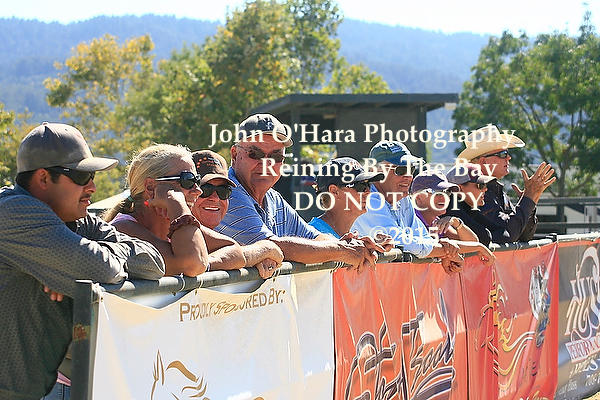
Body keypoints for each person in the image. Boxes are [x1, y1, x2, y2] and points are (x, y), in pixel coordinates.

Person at [0, 122, 165, 399]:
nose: (93, 187)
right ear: (43, 178)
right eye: (81, 176)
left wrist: (78, 261)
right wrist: (84, 262)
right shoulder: (13, 212)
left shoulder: (77, 221)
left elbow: (154, 263)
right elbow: (101, 268)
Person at [215, 113, 385, 273]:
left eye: (276, 157)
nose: (266, 164)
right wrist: (342, 250)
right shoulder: (226, 193)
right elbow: (269, 246)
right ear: (235, 155)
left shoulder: (273, 198)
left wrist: (353, 247)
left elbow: (312, 237)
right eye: (255, 154)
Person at [104, 144, 245, 276]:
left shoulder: (174, 223)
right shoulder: (122, 229)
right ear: (151, 188)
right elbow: (190, 265)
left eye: (197, 181)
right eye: (187, 181)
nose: (198, 190)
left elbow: (235, 251)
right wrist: (176, 203)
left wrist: (205, 264)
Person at [351, 141, 465, 274]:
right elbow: (400, 241)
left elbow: (422, 237)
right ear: (375, 171)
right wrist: (444, 251)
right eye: (400, 170)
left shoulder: (403, 199)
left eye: (411, 169)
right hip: (366, 283)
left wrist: (441, 250)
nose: (408, 176)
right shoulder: (368, 200)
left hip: (387, 281)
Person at [191, 149, 283, 278]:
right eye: (205, 189)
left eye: (224, 191)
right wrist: (263, 250)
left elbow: (234, 251)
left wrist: (256, 257)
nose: (215, 198)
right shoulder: (177, 228)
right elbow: (235, 253)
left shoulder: (214, 239)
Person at [458, 124, 556, 242]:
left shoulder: (496, 191)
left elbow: (524, 236)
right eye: (502, 154)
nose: (508, 157)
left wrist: (530, 201)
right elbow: (509, 234)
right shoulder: (476, 193)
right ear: (483, 161)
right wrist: (528, 198)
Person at [410, 169, 496, 265]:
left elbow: (472, 242)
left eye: (447, 192)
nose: (444, 197)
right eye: (438, 192)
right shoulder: (411, 219)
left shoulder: (436, 221)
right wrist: (478, 247)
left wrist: (456, 222)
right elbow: (425, 248)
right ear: (418, 198)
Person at [309, 157, 384, 239]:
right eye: (361, 186)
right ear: (334, 191)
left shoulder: (349, 233)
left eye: (368, 185)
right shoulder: (312, 235)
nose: (368, 192)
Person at [444, 162, 508, 246]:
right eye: (480, 185)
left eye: (485, 184)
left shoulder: (466, 207)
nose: (485, 189)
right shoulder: (452, 207)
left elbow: (504, 234)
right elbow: (484, 237)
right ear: (459, 188)